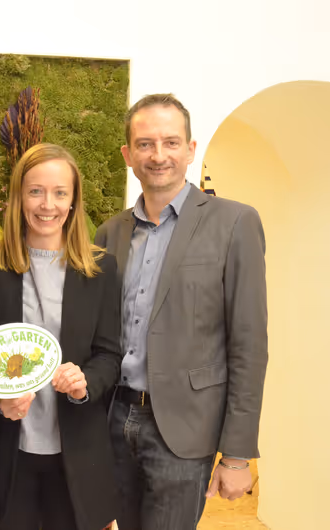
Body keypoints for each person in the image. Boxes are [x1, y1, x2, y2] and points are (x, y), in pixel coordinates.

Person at [95, 93, 268, 529]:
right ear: (128, 155)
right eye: (145, 144)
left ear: (190, 150)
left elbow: (248, 345)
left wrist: (237, 454)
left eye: (171, 142)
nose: (158, 155)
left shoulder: (234, 223)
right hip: (114, 421)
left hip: (184, 431)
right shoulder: (109, 233)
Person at [0, 143, 121, 530]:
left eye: (59, 193)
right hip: (9, 453)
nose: (47, 205)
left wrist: (84, 383)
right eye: (35, 191)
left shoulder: (101, 269)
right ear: (19, 197)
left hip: (76, 456)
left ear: (73, 201)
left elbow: (109, 354)